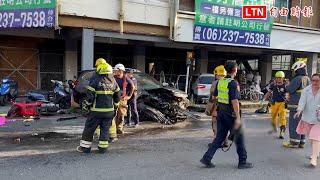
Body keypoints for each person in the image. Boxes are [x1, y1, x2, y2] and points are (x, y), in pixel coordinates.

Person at [200, 61, 253, 169]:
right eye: (236, 68)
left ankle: (207, 158)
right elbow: (235, 101)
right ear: (235, 70)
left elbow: (214, 97)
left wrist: (223, 100)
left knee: (219, 137)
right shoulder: (233, 83)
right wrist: (238, 117)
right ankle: (242, 162)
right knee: (239, 137)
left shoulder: (220, 82)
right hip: (230, 114)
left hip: (221, 113)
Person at [77, 62, 120, 154]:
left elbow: (90, 97)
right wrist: (115, 108)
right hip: (109, 112)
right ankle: (103, 149)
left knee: (89, 129)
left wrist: (86, 107)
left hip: (96, 112)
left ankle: (85, 148)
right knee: (105, 130)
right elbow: (117, 97)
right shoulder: (113, 82)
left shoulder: (95, 80)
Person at [283, 61, 310, 148]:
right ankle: (301, 142)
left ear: (298, 69)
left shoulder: (298, 78)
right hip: (305, 106)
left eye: (295, 70)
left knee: (294, 123)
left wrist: (287, 85)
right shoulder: (307, 78)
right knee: (302, 123)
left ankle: (293, 142)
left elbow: (290, 89)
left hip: (295, 105)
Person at [296, 73, 320, 168]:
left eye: (317, 81)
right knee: (311, 138)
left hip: (318, 119)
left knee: (316, 136)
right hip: (307, 117)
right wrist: (299, 110)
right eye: (313, 80)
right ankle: (316, 152)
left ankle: (314, 158)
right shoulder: (306, 90)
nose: (315, 82)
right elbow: (302, 101)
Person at [109, 64, 135, 141]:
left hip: (123, 99)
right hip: (114, 98)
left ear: (120, 71)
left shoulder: (126, 78)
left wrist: (129, 96)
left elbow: (132, 87)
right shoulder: (113, 78)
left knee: (121, 114)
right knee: (114, 114)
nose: (115, 71)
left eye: (116, 70)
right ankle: (113, 129)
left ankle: (119, 128)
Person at [206, 65, 228, 147]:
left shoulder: (215, 83)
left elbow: (212, 97)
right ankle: (225, 142)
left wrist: (209, 108)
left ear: (217, 74)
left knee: (215, 124)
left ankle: (217, 142)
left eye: (216, 74)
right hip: (226, 108)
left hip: (217, 107)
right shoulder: (229, 82)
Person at [262, 71, 288, 139]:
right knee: (273, 116)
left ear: (283, 78)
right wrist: (263, 99)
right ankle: (274, 128)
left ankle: (282, 132)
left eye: (280, 77)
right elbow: (269, 92)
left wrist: (288, 99)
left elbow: (289, 93)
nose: (279, 79)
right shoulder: (273, 85)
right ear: (275, 78)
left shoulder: (285, 85)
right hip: (274, 103)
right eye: (277, 78)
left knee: (282, 117)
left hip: (282, 103)